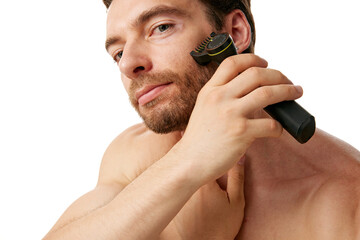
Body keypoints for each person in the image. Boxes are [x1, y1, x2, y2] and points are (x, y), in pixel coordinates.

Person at [43, 0, 360, 239]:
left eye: (161, 27)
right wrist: (189, 162)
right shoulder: (136, 152)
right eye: (118, 52)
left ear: (234, 32)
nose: (128, 64)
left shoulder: (345, 202)